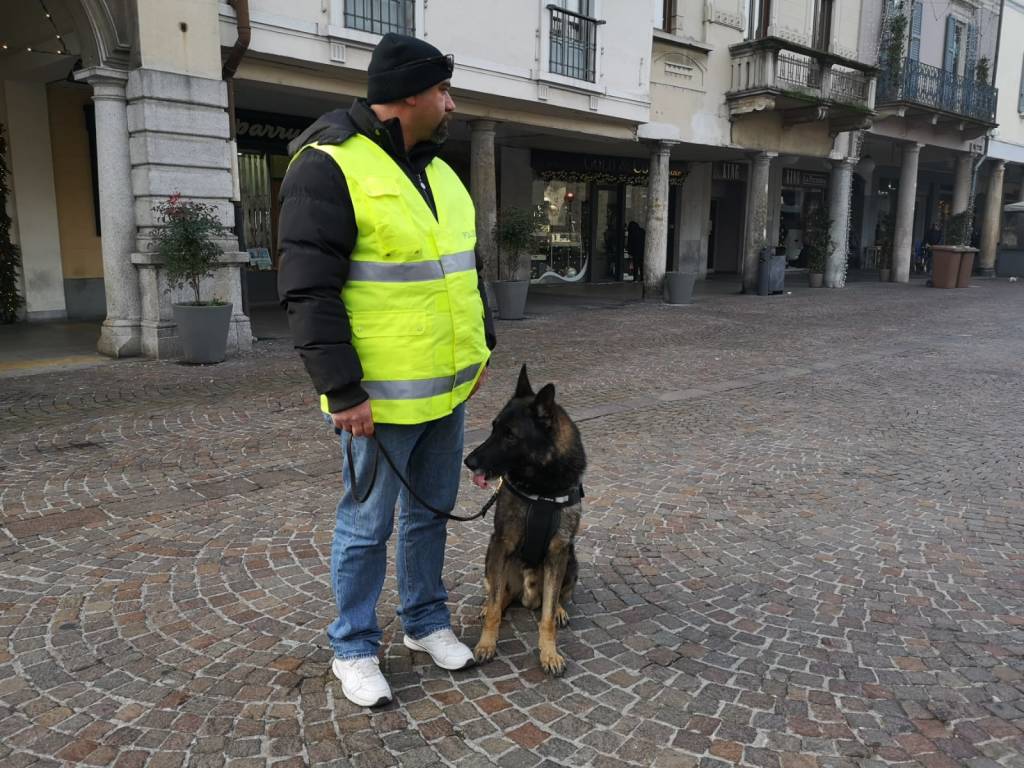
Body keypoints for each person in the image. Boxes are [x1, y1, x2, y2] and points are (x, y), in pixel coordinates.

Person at [277, 33, 497, 708]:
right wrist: (340, 389)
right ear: (407, 96)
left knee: (429, 515)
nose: (451, 104)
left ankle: (425, 623)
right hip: (374, 402)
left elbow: (464, 272)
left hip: (447, 392)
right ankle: (352, 646)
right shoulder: (328, 166)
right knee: (366, 526)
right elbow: (307, 290)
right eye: (442, 91)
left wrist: (482, 346)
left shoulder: (437, 170)